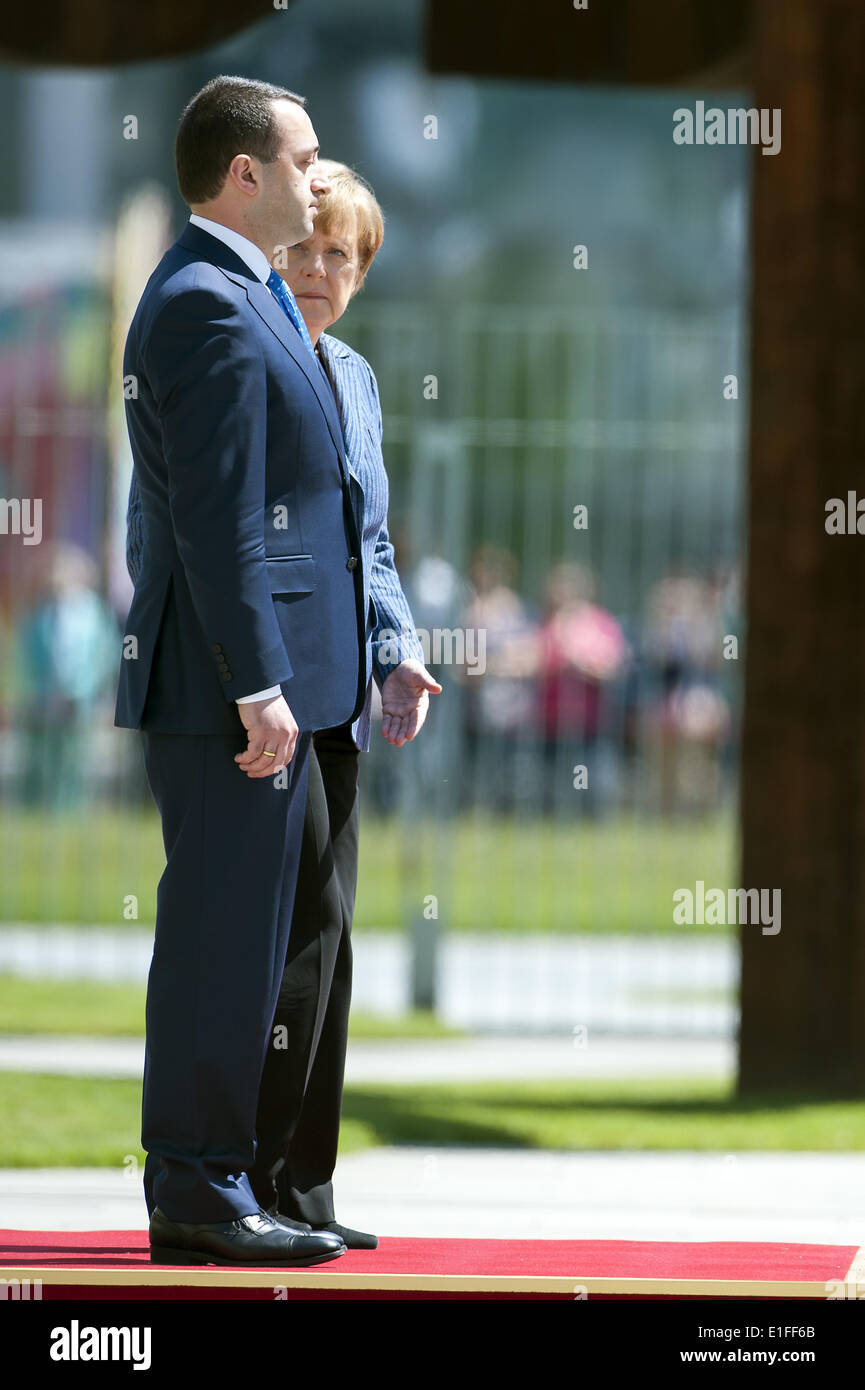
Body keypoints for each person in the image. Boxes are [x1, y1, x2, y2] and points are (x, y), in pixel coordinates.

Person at [124, 152, 440, 1252]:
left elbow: (368, 545)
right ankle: (214, 1187)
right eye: (304, 245)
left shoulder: (348, 376)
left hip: (333, 685)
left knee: (316, 941)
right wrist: (242, 674)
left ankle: (290, 1183)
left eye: (338, 255)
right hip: (256, 687)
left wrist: (395, 649)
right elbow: (187, 526)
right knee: (234, 939)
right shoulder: (223, 324)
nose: (315, 266)